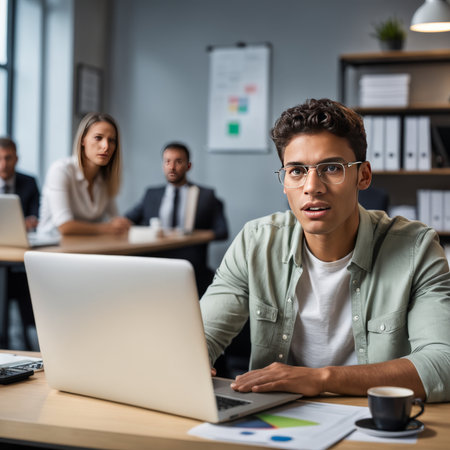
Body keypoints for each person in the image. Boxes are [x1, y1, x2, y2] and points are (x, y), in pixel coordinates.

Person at [200, 98, 450, 403]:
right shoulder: (255, 243)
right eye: (297, 171)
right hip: (277, 422)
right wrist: (187, 360)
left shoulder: (417, 248)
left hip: (372, 422)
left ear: (364, 176)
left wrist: (322, 379)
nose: (312, 186)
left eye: (331, 168)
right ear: (285, 181)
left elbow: (443, 363)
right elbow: (198, 341)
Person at [125, 142, 228, 296]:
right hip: (155, 262)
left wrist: (191, 235)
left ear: (188, 166)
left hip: (191, 264)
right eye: (167, 161)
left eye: (178, 161)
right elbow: (128, 219)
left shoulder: (206, 195)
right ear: (163, 165)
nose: (172, 167)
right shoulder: (151, 194)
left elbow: (222, 231)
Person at [38, 112, 130, 236]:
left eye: (111, 140)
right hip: (50, 247)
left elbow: (114, 219)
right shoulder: (61, 170)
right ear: (83, 140)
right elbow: (65, 226)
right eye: (98, 138)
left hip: (84, 247)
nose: (106, 146)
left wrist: (121, 224)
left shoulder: (105, 178)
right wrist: (107, 228)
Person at [0, 137, 40, 230]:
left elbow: (36, 215)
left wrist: (31, 221)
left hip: (23, 235)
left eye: (8, 158)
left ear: (16, 159)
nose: (3, 164)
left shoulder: (30, 182)